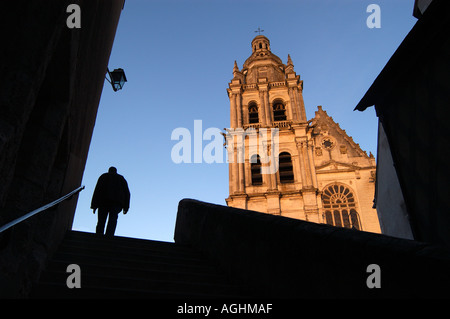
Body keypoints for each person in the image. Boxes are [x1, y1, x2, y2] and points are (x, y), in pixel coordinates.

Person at [90, 166, 130, 237]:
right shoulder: (121, 178)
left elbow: (97, 190)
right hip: (116, 203)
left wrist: (94, 205)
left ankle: (99, 235)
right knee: (113, 220)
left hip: (103, 202)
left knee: (101, 220)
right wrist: (126, 207)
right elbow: (127, 193)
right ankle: (109, 235)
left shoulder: (103, 176)